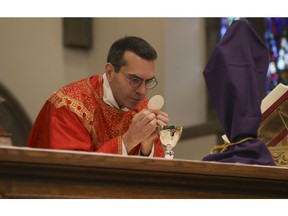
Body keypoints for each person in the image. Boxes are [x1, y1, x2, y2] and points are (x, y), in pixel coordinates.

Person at [26, 36, 169, 157]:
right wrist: (128, 140)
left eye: (148, 81)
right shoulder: (68, 106)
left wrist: (146, 149)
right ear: (110, 72)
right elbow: (72, 171)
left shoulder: (143, 108)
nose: (142, 91)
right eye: (134, 80)